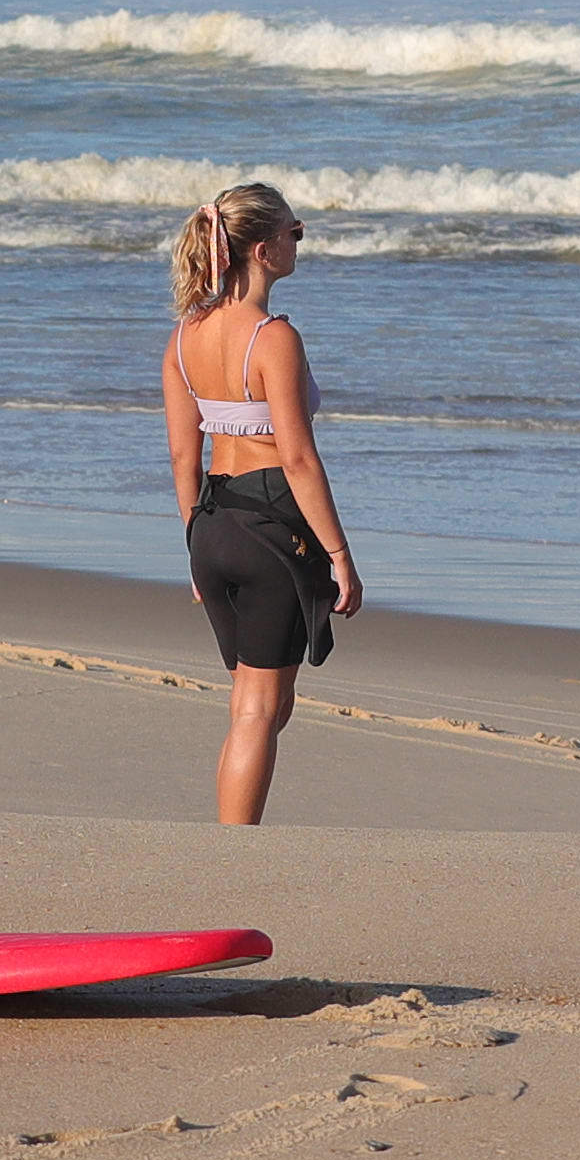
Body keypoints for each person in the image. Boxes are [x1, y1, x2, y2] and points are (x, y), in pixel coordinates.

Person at [162, 181, 360, 825]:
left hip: (214, 523)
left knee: (258, 702)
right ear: (264, 248)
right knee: (258, 709)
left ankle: (230, 836)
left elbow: (182, 459)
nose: (299, 240)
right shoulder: (273, 337)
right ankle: (233, 854)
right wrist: (340, 555)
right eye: (294, 231)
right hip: (271, 521)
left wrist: (195, 545)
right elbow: (299, 459)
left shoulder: (183, 337)